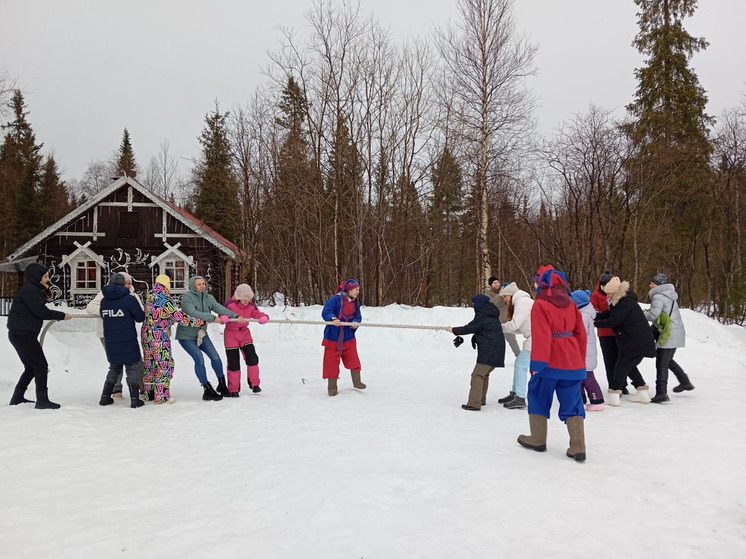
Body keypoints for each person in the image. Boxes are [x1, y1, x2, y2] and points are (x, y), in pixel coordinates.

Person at [517, 265, 588, 462]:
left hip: (549, 363)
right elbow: (581, 334)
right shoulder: (572, 304)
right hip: (572, 362)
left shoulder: (540, 304)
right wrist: (580, 360)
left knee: (538, 395)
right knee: (573, 402)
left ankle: (538, 439)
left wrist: (537, 364)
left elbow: (541, 336)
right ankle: (578, 446)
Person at [7, 263, 72, 409]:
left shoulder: (33, 289)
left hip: (21, 334)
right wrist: (62, 315)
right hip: (23, 335)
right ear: (37, 276)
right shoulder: (30, 290)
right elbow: (41, 311)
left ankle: (17, 397)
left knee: (31, 367)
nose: (48, 279)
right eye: (45, 276)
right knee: (41, 366)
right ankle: (42, 399)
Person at [176, 276, 244, 401]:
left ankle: (222, 384)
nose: (202, 286)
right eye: (198, 284)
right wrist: (212, 318)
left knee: (215, 357)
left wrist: (235, 315)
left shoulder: (209, 298)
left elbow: (219, 308)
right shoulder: (187, 298)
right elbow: (192, 313)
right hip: (186, 336)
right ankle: (206, 388)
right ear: (193, 286)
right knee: (199, 359)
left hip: (202, 334)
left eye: (203, 283)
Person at [141, 275, 205, 404]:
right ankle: (162, 396)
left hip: (146, 336)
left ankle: (148, 394)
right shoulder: (164, 299)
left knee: (150, 364)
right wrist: (198, 322)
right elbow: (179, 316)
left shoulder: (150, 297)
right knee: (164, 364)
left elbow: (156, 316)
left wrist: (167, 321)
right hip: (159, 337)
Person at [593, 276, 656, 406]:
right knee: (629, 366)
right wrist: (593, 315)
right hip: (634, 340)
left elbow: (613, 321)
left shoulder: (625, 303)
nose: (608, 296)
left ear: (616, 292)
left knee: (621, 367)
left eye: (609, 293)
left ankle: (614, 394)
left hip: (635, 341)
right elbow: (609, 314)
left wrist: (594, 323)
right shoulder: (619, 302)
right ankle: (642, 392)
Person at [86, 271, 144, 399]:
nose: (128, 285)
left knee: (116, 365)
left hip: (110, 334)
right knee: (132, 364)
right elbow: (139, 315)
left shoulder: (107, 299)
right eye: (126, 283)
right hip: (124, 335)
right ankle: (130, 395)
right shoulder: (127, 298)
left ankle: (106, 396)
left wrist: (109, 313)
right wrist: (118, 312)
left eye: (130, 283)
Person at [447, 294, 506, 411]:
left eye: (474, 304)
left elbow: (470, 328)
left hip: (490, 351)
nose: (474, 306)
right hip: (497, 350)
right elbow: (482, 329)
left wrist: (453, 330)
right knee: (484, 374)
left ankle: (474, 403)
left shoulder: (483, 315)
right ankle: (481, 399)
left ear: (479, 304)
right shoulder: (491, 313)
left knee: (477, 375)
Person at [644, 273, 694, 403]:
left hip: (667, 334)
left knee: (661, 363)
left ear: (659, 285)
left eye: (652, 283)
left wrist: (641, 315)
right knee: (667, 360)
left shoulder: (659, 296)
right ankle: (684, 381)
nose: (650, 285)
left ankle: (661, 393)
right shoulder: (670, 296)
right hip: (676, 331)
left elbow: (654, 315)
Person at [223, 283, 269, 396]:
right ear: (238, 297)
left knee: (252, 358)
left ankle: (254, 384)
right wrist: (223, 318)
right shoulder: (229, 305)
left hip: (244, 334)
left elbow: (257, 313)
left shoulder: (251, 306)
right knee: (233, 362)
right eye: (243, 299)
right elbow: (222, 314)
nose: (246, 301)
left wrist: (264, 318)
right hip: (231, 335)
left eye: (248, 299)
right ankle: (233, 389)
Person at [321, 279, 365, 396]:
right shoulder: (335, 300)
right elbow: (326, 311)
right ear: (349, 290)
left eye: (358, 290)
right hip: (333, 337)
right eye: (356, 290)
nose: (357, 292)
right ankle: (332, 387)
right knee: (331, 362)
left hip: (348, 336)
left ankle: (357, 381)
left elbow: (358, 316)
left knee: (353, 358)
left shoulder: (356, 304)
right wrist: (333, 319)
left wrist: (355, 323)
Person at [590, 269, 627, 394]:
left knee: (620, 359)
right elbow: (594, 312)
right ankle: (613, 384)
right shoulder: (595, 296)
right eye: (602, 285)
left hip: (618, 331)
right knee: (610, 360)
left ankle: (622, 384)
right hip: (605, 332)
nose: (604, 287)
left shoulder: (618, 295)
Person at [497, 282, 532, 409]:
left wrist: (497, 327)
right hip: (533, 337)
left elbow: (515, 325)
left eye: (505, 297)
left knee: (521, 364)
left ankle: (520, 397)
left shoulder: (522, 302)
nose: (505, 300)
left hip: (536, 339)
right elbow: (519, 328)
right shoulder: (521, 301)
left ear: (510, 294)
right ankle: (515, 393)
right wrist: (501, 328)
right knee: (520, 363)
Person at [570, 289, 605, 411]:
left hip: (585, 355)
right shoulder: (582, 314)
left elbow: (580, 333)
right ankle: (581, 401)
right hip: (582, 353)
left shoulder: (583, 316)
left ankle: (597, 400)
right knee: (578, 378)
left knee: (588, 379)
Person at [486, 276, 521, 357]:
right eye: (494, 283)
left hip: (506, 320)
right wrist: (500, 295)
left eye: (497, 282)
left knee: (512, 340)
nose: (497, 284)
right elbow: (490, 304)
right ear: (491, 285)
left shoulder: (505, 290)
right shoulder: (489, 294)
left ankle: (519, 356)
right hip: (496, 321)